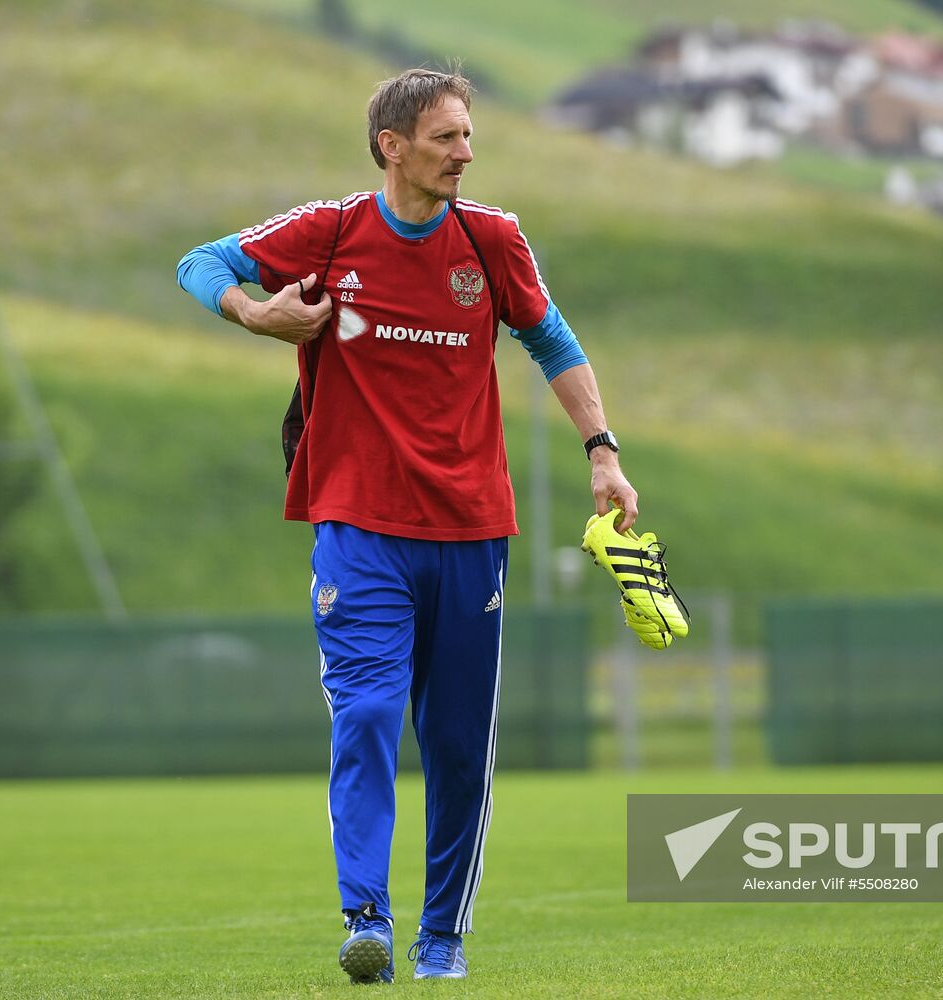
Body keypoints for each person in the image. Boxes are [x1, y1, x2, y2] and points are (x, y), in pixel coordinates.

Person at [176, 68, 640, 981]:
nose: (466, 153)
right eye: (447, 138)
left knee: (459, 744)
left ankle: (442, 937)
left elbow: (555, 340)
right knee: (369, 714)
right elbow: (201, 263)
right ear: (393, 145)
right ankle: (367, 921)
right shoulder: (335, 230)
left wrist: (603, 451)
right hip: (359, 525)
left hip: (473, 530)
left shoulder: (492, 240)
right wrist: (258, 313)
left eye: (469, 137)